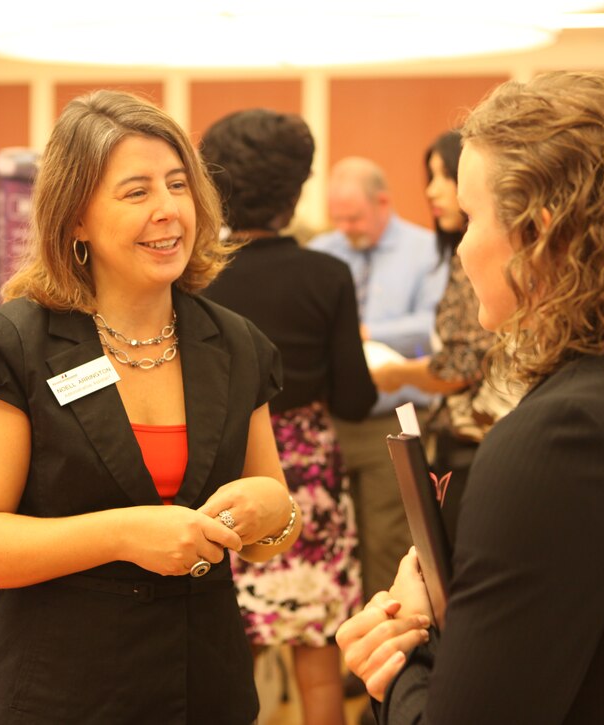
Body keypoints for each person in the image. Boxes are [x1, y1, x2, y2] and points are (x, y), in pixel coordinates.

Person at [336, 71, 604, 724]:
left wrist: (402, 658)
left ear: (538, 233)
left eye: (472, 219)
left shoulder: (561, 438)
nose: (463, 247)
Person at [0, 90, 299, 725]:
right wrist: (125, 534)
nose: (169, 211)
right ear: (75, 218)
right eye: (136, 192)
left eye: (178, 185)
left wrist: (276, 512)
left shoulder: (235, 344)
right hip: (58, 693)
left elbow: (266, 536)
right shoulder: (15, 345)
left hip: (203, 689)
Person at [201, 109, 377, 725]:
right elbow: (356, 399)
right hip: (307, 479)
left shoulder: (198, 280)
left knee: (226, 645)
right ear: (298, 189)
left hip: (221, 474)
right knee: (316, 647)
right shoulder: (328, 275)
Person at [370, 130, 520, 544]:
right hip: (473, 443)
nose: (433, 191)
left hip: (483, 444)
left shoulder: (481, 256)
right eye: (430, 177)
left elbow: (463, 365)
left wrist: (398, 374)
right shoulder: (467, 254)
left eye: (444, 176)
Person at [309, 158, 448, 603]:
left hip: (395, 416)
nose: (346, 227)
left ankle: (392, 658)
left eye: (355, 217)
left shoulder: (427, 250)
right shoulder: (323, 252)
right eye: (339, 218)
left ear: (383, 202)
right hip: (332, 418)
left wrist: (366, 335)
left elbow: (436, 324)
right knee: (330, 543)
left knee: (388, 540)